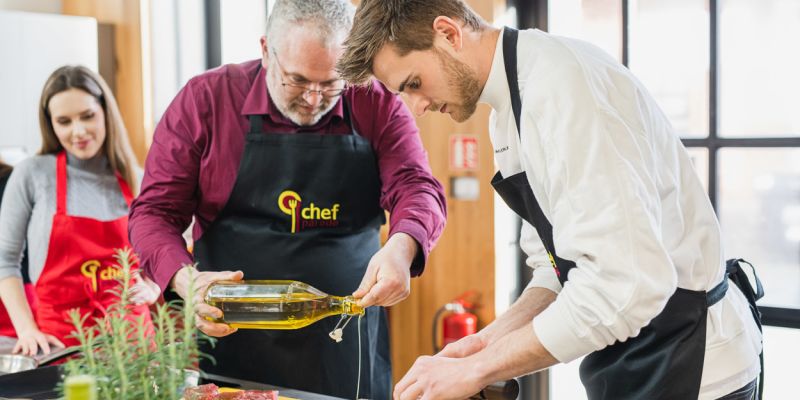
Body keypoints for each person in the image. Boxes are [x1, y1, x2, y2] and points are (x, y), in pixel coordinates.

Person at [337, 1, 764, 399]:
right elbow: (557, 267)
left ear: (448, 33)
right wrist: (485, 342)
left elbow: (622, 286)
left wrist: (479, 369)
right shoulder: (508, 111)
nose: (416, 107)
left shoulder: (561, 87)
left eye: (413, 83)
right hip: (636, 360)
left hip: (697, 367)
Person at [127, 1, 446, 398]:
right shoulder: (206, 101)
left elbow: (417, 186)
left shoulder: (374, 100)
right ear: (265, 50)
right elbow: (153, 213)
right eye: (296, 81)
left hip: (344, 348)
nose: (314, 99)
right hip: (230, 341)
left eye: (332, 84)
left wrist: (404, 246)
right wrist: (184, 280)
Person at [0, 66, 156, 357]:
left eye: (87, 116)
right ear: (51, 125)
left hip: (134, 353)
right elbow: (4, 261)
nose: (78, 131)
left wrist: (153, 287)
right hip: (61, 348)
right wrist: (26, 329)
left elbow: (165, 252)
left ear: (105, 112)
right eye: (64, 121)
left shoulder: (138, 179)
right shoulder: (32, 175)